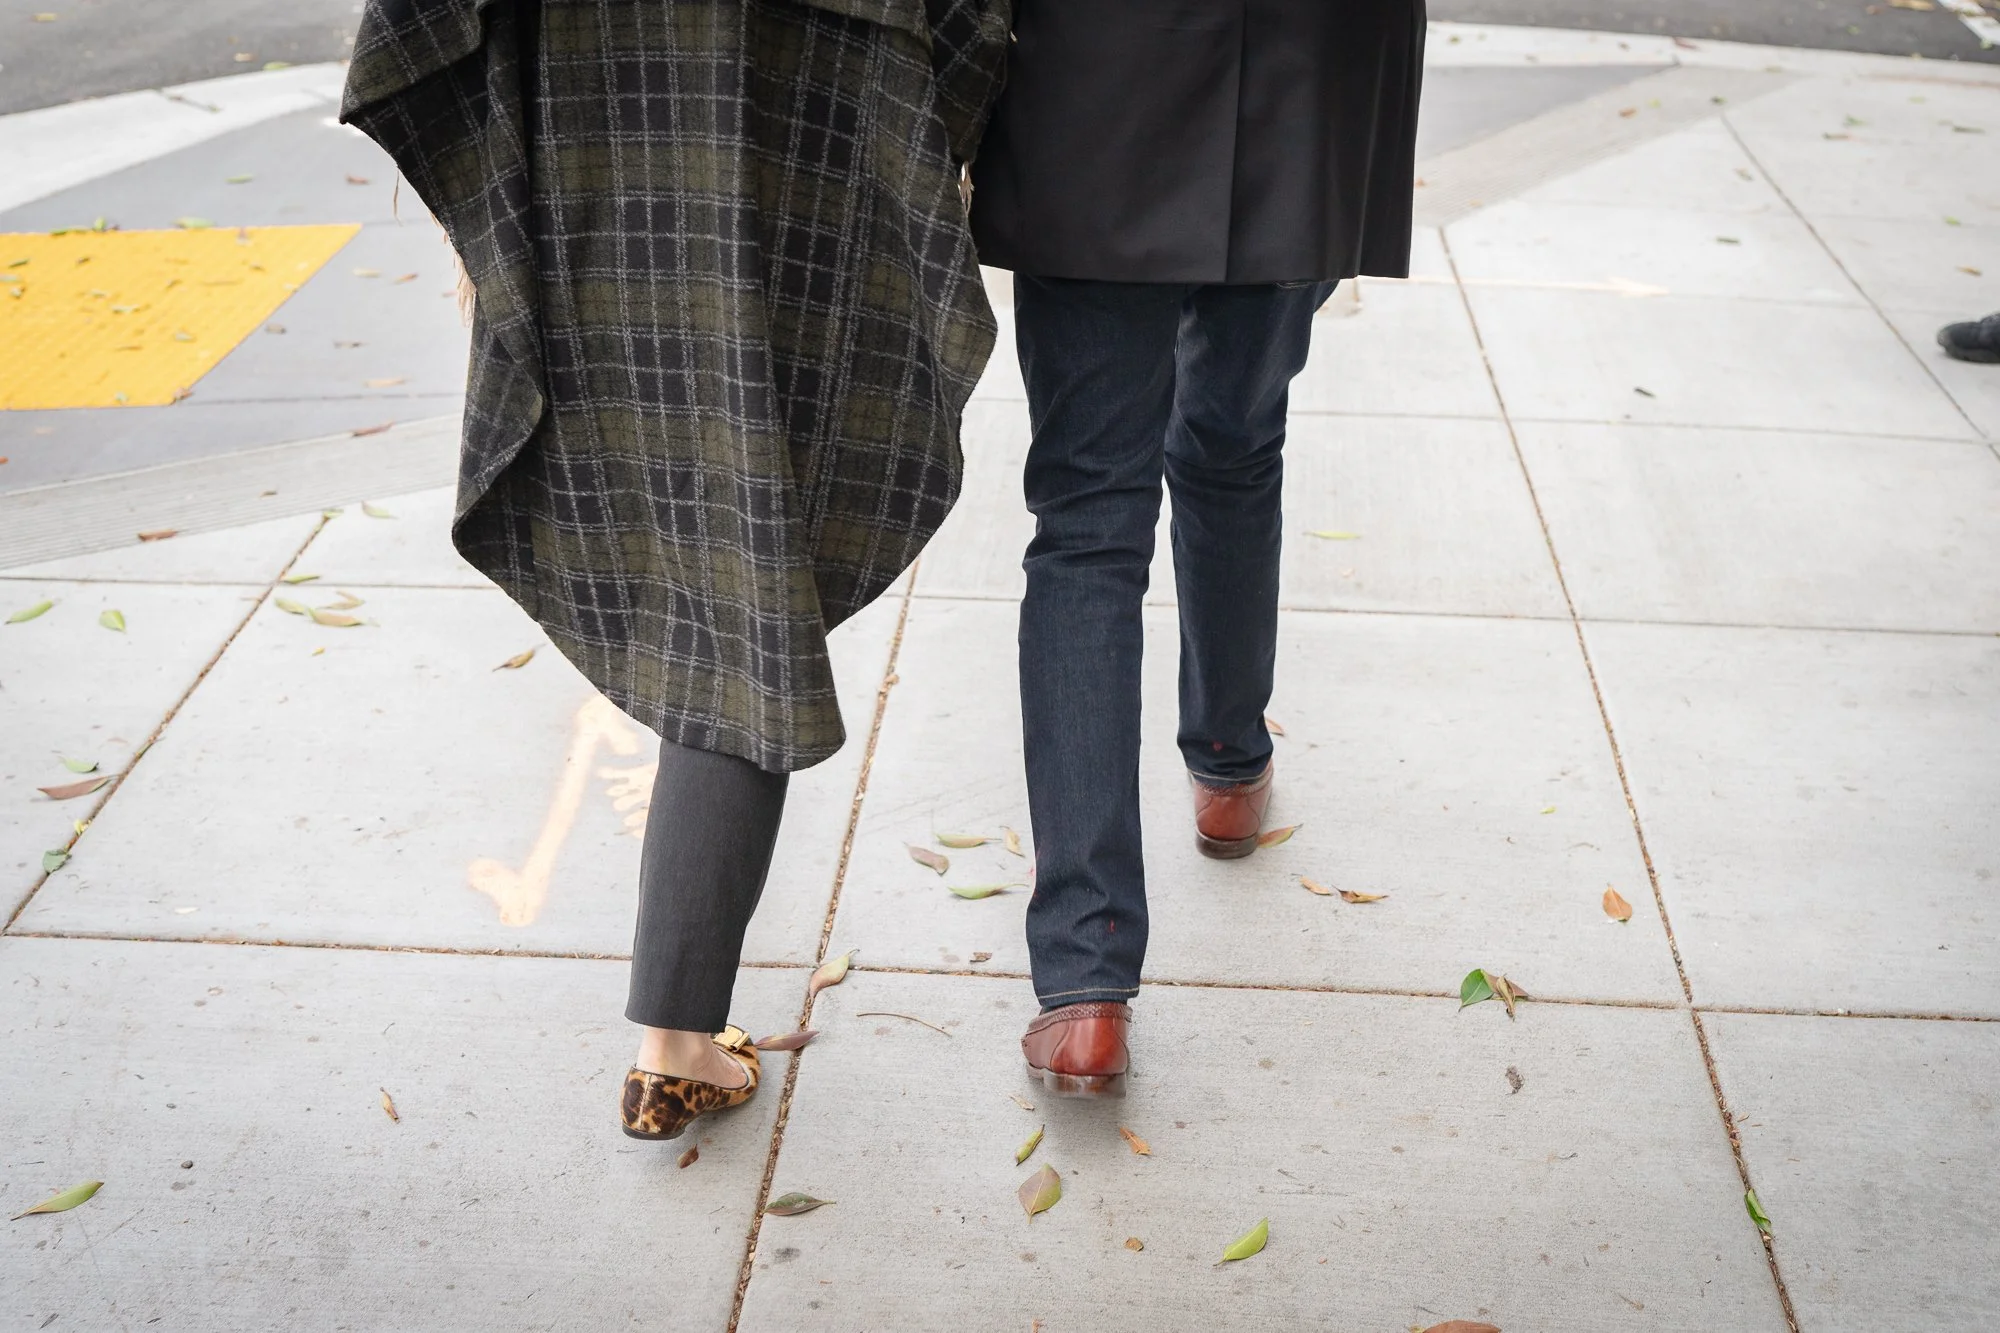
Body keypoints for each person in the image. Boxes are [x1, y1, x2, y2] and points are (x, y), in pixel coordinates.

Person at [341, 0, 1009, 1142]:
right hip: (813, 111)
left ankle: (677, 1034)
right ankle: (673, 1041)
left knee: (728, 564)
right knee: (751, 563)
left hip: (597, 110)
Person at [970, 0, 1428, 1096]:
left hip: (1099, 84)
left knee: (1087, 522)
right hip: (1298, 77)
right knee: (1232, 439)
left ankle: (1084, 986)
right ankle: (1227, 766)